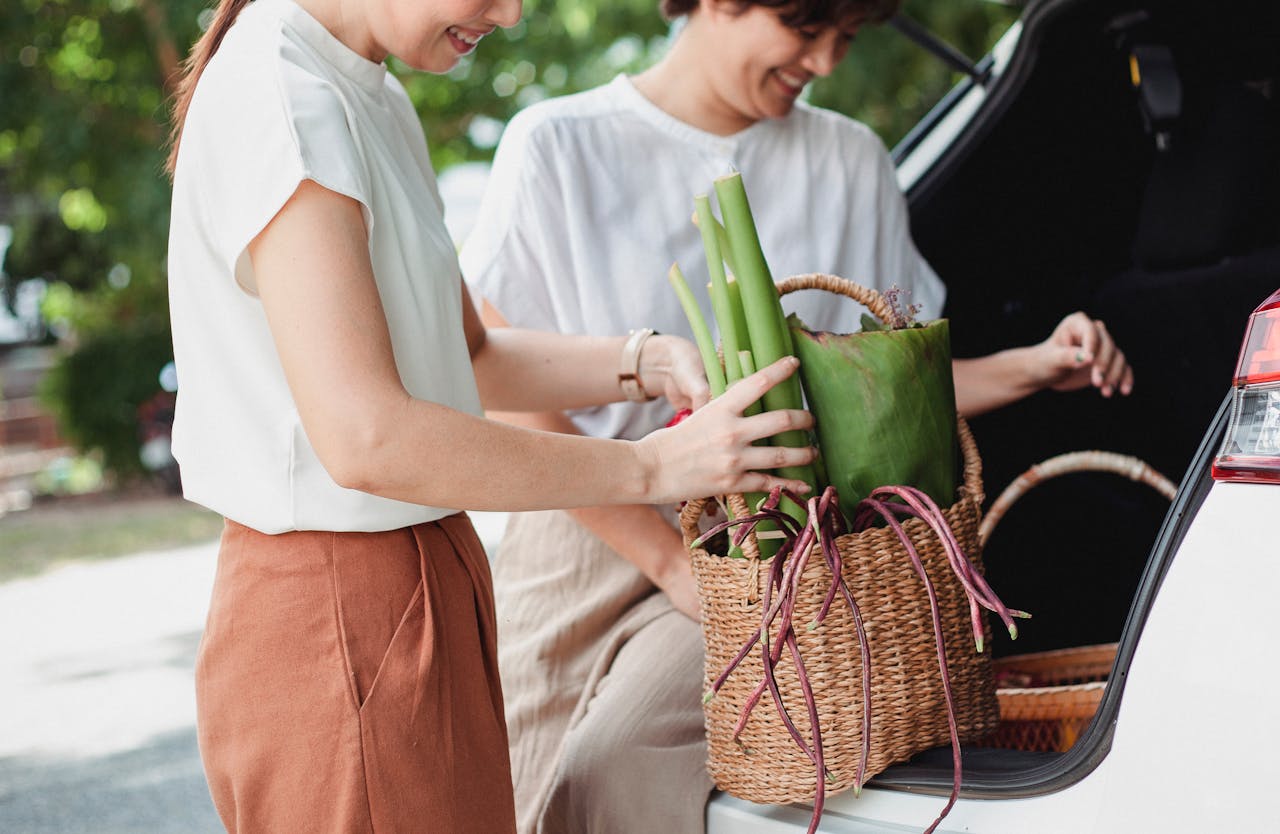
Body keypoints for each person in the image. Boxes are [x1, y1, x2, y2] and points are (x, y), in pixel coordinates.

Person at [459, 1, 1135, 832]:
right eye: (805, 29)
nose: (824, 63)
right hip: (580, 529)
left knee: (610, 776)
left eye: (847, 39)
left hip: (770, 549)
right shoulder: (558, 145)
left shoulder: (847, 159)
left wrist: (1037, 365)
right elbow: (507, 389)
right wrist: (668, 562)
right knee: (522, 797)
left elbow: (882, 389)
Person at [162, 0, 821, 831]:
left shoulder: (369, 92)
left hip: (425, 580)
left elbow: (467, 355)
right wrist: (657, 467)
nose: (509, 14)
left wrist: (645, 361)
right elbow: (368, 437)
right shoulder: (283, 98)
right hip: (338, 607)